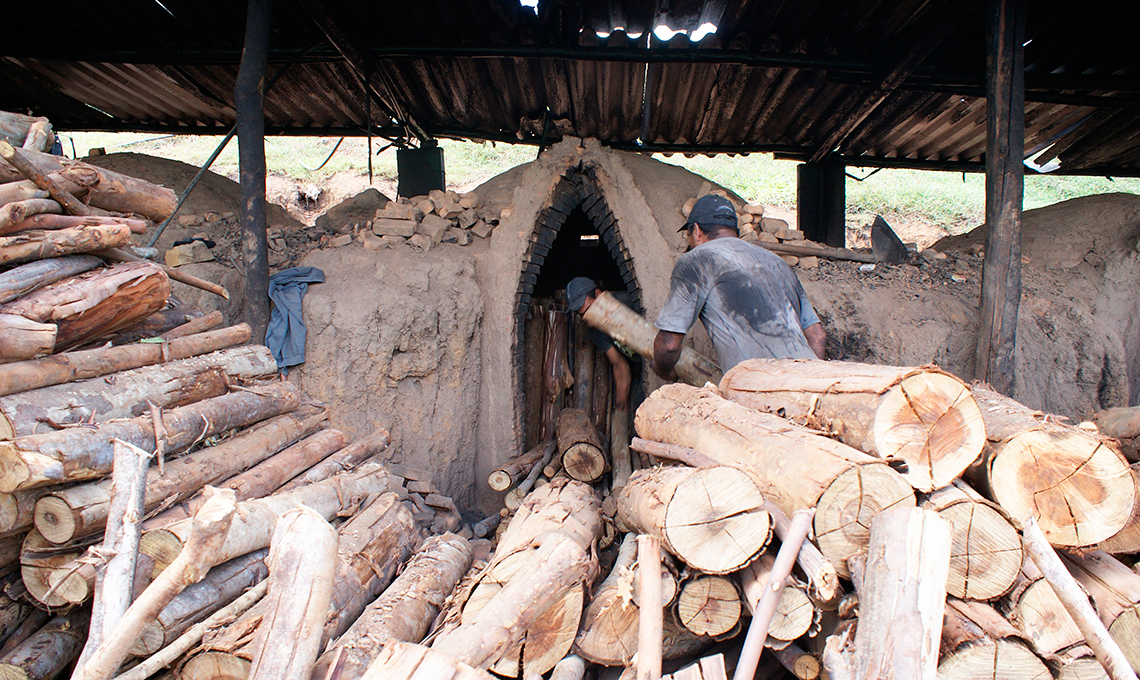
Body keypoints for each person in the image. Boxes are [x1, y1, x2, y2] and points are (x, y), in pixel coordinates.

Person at [652, 194, 826, 380]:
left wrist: (664, 370)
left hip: (758, 388)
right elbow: (817, 336)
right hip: (811, 383)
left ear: (696, 231)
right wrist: (810, 381)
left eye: (688, 236)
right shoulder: (778, 262)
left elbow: (669, 345)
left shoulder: (697, 260)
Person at [566, 277, 633, 412]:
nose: (588, 317)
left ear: (598, 294)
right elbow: (619, 364)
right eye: (582, 315)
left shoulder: (629, 304)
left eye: (589, 309)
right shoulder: (595, 330)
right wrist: (621, 402)